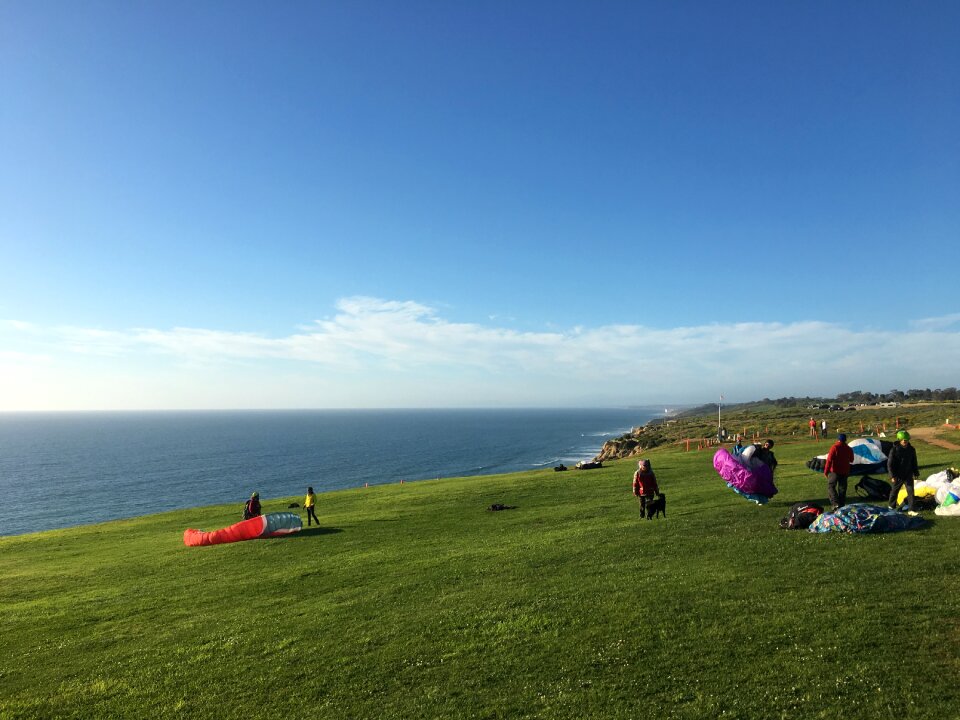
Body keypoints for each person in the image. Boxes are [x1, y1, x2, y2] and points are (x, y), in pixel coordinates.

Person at [887, 430, 920, 513]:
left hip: (908, 474)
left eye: (907, 440)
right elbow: (890, 464)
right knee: (894, 491)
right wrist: (892, 476)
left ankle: (911, 509)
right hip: (898, 475)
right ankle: (891, 506)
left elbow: (914, 461)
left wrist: (916, 472)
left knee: (911, 492)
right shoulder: (894, 450)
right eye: (903, 440)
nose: (905, 442)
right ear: (899, 440)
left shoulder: (911, 449)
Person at [824, 433, 854, 511]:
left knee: (831, 487)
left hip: (834, 471)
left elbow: (829, 460)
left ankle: (835, 503)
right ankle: (842, 504)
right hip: (845, 471)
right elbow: (851, 460)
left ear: (838, 439)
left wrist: (826, 471)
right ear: (845, 440)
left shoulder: (834, 447)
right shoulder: (849, 448)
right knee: (842, 488)